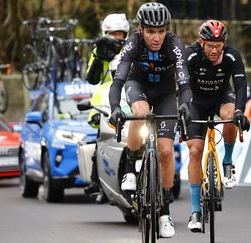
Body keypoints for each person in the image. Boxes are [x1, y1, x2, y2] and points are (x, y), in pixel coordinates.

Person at [108, 2, 192, 238]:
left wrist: (185, 104)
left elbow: (184, 82)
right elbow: (118, 82)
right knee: (141, 113)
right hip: (139, 86)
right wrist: (115, 107)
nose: (157, 37)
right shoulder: (132, 43)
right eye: (151, 32)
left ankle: (164, 212)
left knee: (166, 151)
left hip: (166, 92)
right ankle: (130, 166)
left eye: (161, 31)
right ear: (140, 29)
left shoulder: (174, 44)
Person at [184, 19, 250, 232]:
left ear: (224, 43)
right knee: (195, 151)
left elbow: (241, 85)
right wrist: (181, 108)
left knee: (232, 115)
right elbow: (181, 83)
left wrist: (241, 111)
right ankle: (195, 211)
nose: (214, 50)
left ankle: (228, 162)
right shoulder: (191, 54)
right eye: (210, 45)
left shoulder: (232, 55)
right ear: (201, 43)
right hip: (196, 102)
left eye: (218, 45)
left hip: (222, 97)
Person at [83, 13, 130, 204]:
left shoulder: (133, 48)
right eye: (113, 34)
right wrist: (98, 56)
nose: (117, 38)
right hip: (104, 103)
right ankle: (98, 181)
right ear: (105, 34)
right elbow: (92, 78)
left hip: (129, 99)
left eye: (120, 34)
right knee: (100, 141)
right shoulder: (99, 49)